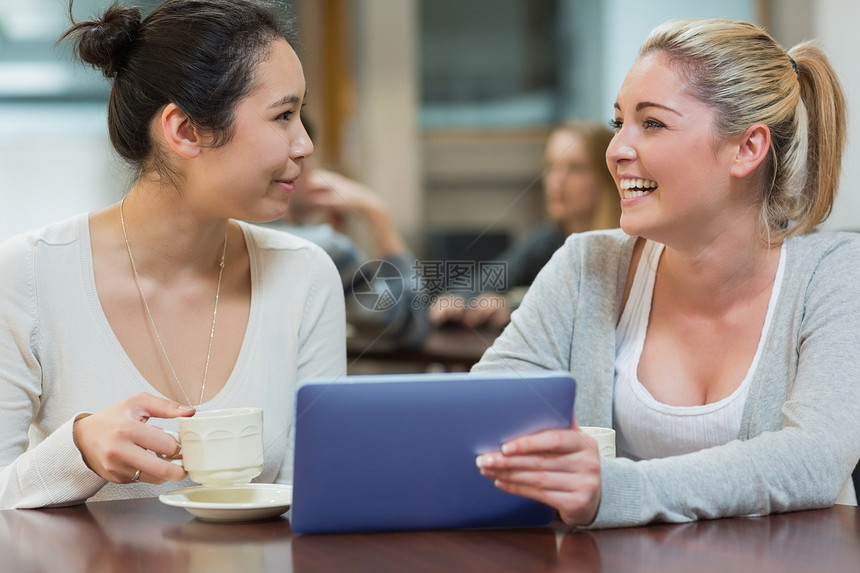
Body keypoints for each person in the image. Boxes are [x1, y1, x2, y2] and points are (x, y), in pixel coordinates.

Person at [472, 18, 860, 528]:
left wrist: (616, 489)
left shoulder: (835, 276)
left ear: (748, 148)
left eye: (651, 123)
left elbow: (813, 458)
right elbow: (482, 419)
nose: (616, 151)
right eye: (618, 124)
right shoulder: (586, 264)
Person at [0, 0, 346, 510]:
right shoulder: (28, 274)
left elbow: (315, 498)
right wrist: (78, 450)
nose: (305, 145)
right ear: (185, 131)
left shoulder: (304, 275)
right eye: (283, 116)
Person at [429, 120, 620, 329]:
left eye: (575, 168)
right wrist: (457, 299)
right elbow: (491, 278)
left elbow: (588, 304)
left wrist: (513, 306)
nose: (557, 181)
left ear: (606, 176)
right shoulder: (549, 237)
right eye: (551, 166)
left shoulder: (624, 244)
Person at [268, 137, 430, 349]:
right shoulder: (326, 247)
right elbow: (412, 324)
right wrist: (375, 211)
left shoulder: (231, 232)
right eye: (309, 161)